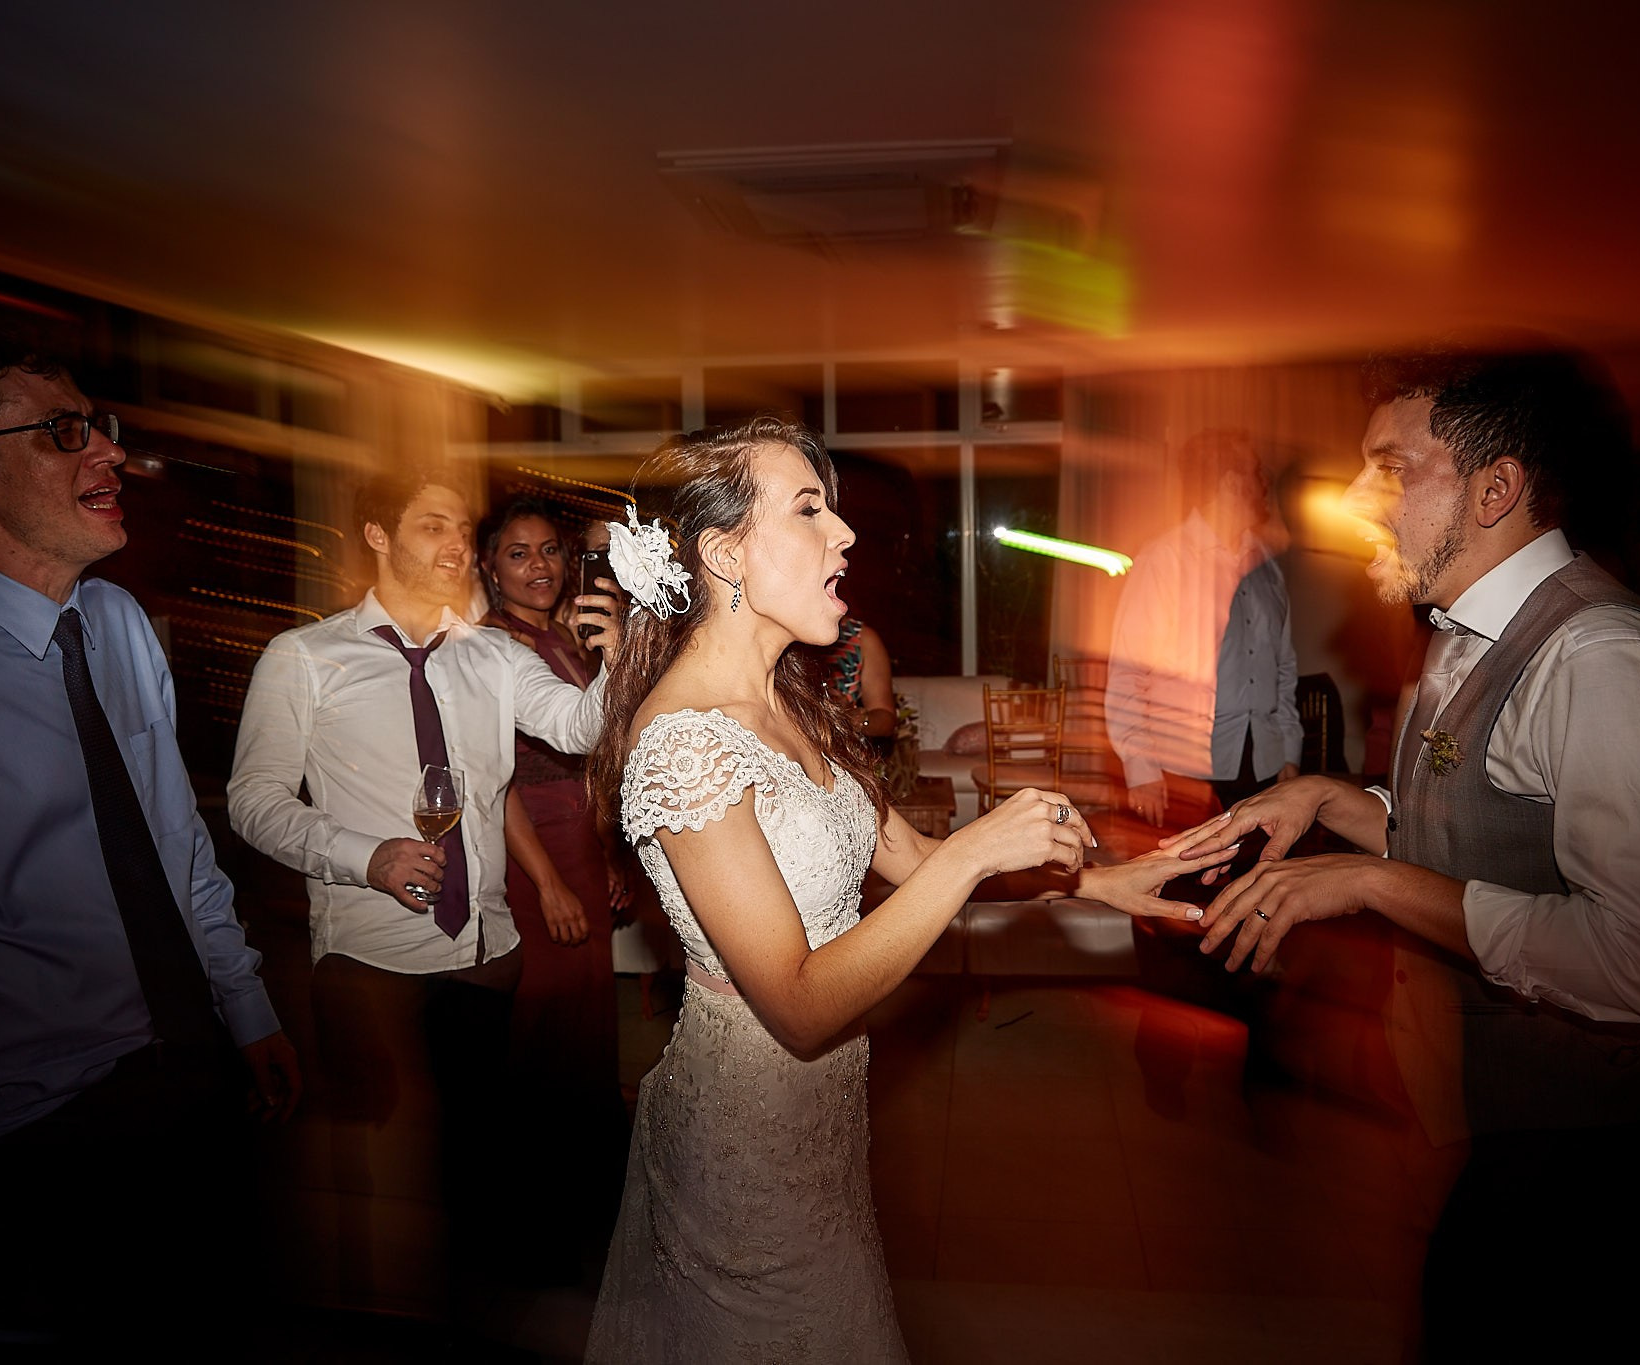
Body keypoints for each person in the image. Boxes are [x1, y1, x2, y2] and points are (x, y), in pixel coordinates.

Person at [581, 416, 1223, 1363]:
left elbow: (917, 862)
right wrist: (977, 853)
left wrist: (1101, 880)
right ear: (725, 553)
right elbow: (798, 1004)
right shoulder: (683, 744)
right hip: (743, 1148)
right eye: (809, 510)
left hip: (824, 1128)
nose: (843, 534)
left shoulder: (792, 700)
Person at [1174, 345, 1640, 1361]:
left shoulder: (1604, 662)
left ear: (1495, 489)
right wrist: (1334, 802)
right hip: (1505, 1134)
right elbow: (1483, 827)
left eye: (1387, 468)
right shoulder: (1464, 631)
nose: (1349, 497)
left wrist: (1372, 883)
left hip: (1592, 1165)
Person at [0, 344, 299, 1336]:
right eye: (63, 432)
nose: (107, 454)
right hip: (35, 1146)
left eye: (101, 427)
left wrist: (244, 1006)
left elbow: (172, 840)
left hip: (191, 1087)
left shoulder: (117, 623)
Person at [225, 469, 619, 1318]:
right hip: (368, 962)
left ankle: (469, 1314)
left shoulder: (495, 655)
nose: (454, 545)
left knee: (476, 1160)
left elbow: (583, 729)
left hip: (486, 953)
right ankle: (372, 1318)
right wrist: (361, 856)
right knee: (378, 1169)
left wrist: (621, 657)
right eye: (432, 525)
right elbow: (252, 801)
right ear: (377, 535)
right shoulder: (305, 657)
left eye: (459, 527)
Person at [478, 495, 626, 1285]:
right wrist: (550, 882)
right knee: (541, 1026)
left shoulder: (562, 636)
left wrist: (602, 852)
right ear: (490, 568)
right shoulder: (488, 647)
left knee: (587, 1022)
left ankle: (588, 1205)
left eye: (549, 551)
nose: (539, 566)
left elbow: (591, 753)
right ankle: (536, 1222)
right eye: (517, 554)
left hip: (575, 831)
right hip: (526, 841)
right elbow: (491, 780)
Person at [1107, 429, 1305, 829]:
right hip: (1185, 771)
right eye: (1257, 472)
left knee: (1258, 886)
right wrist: (1141, 768)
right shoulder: (1164, 560)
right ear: (1231, 481)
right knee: (1188, 888)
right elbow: (1129, 673)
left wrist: (1288, 752)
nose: (1265, 483)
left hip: (1263, 767)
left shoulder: (1265, 564)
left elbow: (1283, 669)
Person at [815, 613, 898, 737]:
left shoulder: (860, 638)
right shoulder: (784, 632)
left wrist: (854, 718)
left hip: (840, 748)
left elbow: (885, 719)